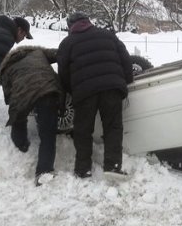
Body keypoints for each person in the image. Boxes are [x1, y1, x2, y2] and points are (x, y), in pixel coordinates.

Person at [57, 12, 134, 179]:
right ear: (88, 22)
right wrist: (126, 80)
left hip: (84, 92)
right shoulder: (107, 35)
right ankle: (112, 167)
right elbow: (125, 59)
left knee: (83, 130)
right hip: (112, 88)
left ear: (71, 26)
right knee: (113, 127)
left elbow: (62, 73)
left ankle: (83, 169)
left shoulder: (67, 43)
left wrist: (70, 92)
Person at [0, 46, 61, 186]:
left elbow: (8, 97)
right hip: (47, 88)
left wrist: (19, 110)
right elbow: (59, 54)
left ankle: (22, 146)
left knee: (18, 120)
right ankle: (43, 172)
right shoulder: (37, 52)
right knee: (48, 135)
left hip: (21, 95)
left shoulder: (5, 69)